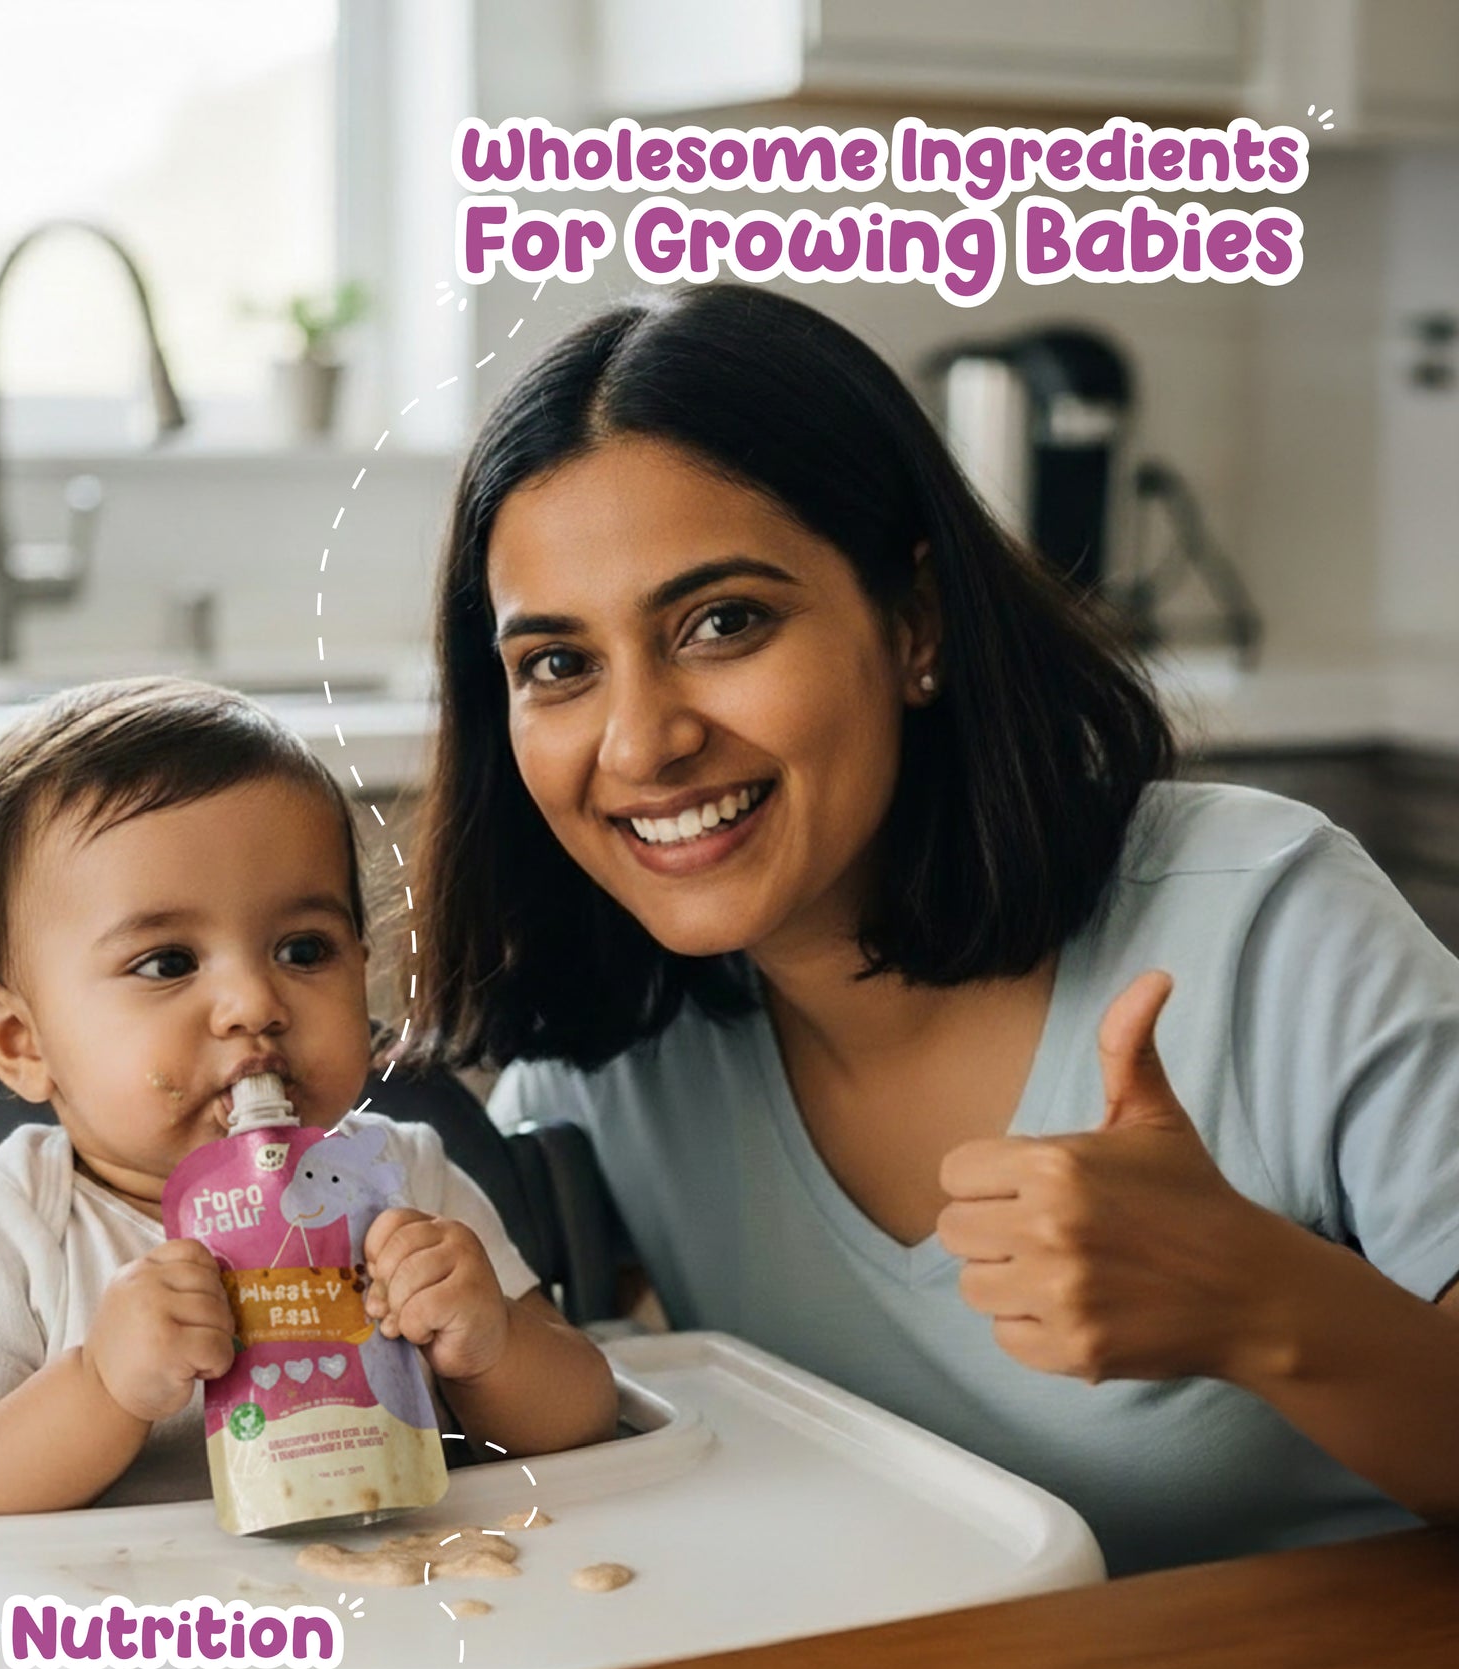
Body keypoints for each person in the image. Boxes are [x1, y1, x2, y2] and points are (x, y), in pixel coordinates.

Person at [413, 284, 1459, 1576]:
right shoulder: (606, 1059)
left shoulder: (1265, 921)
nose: (640, 744)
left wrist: (1259, 1301)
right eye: (558, 664)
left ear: (915, 623)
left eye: (723, 622)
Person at [0, 678, 615, 1517]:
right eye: (168, 963)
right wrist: (99, 1388)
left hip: (407, 1582)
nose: (255, 1003)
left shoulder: (403, 1182)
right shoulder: (8, 1221)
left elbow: (585, 1413)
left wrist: (491, 1347)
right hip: (122, 1601)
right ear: (19, 1041)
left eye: (304, 949)